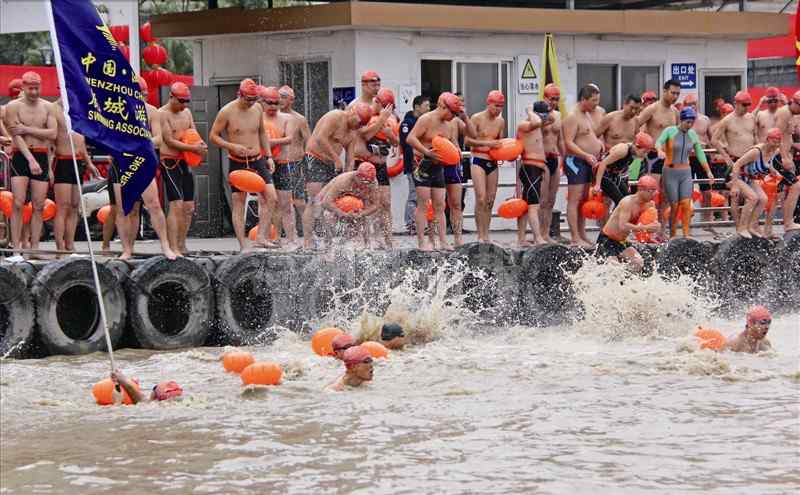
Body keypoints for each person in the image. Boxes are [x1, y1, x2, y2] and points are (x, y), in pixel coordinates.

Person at [105, 77, 177, 260]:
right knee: (125, 209)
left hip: (142, 162)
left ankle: (165, 246)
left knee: (153, 205)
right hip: (121, 164)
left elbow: (159, 138)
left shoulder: (152, 112)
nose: (142, 98)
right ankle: (127, 249)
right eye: (139, 94)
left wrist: (140, 146)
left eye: (144, 95)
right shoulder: (116, 110)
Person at [210, 78, 277, 251]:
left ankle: (261, 237)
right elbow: (213, 136)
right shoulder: (226, 111)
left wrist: (268, 156)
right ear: (239, 95)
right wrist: (232, 146)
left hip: (257, 159)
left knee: (271, 197)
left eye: (254, 99)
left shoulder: (257, 109)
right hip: (237, 162)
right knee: (239, 202)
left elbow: (262, 132)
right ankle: (242, 244)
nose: (251, 103)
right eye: (248, 99)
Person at [301, 102, 374, 249]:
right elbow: (320, 138)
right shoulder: (335, 116)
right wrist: (335, 159)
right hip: (313, 157)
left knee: (331, 203)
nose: (358, 127)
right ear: (352, 113)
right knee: (314, 200)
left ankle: (328, 240)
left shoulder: (353, 132)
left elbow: (350, 158)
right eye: (358, 123)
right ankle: (308, 240)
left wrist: (348, 179)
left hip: (332, 164)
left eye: (361, 126)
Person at [2, 71, 57, 259]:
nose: (34, 92)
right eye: (30, 88)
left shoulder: (48, 107)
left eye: (37, 88)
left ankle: (34, 248)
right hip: (20, 156)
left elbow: (52, 134)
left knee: (39, 204)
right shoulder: (13, 106)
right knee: (18, 203)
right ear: (23, 87)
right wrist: (30, 159)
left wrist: (27, 129)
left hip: (42, 155)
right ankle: (16, 247)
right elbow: (15, 135)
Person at [406, 92, 466, 251]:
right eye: (452, 112)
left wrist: (455, 152)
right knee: (423, 205)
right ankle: (421, 241)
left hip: (438, 166)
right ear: (443, 107)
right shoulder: (426, 119)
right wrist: (426, 152)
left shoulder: (448, 125)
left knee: (440, 205)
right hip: (422, 164)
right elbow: (411, 138)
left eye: (455, 114)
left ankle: (443, 241)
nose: (453, 116)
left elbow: (449, 145)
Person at [158, 82, 207, 255]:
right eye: (181, 101)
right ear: (171, 97)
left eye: (187, 101)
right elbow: (169, 140)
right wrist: (194, 149)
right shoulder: (162, 114)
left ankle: (182, 243)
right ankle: (173, 247)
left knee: (188, 207)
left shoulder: (186, 112)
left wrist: (200, 146)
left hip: (184, 161)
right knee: (176, 205)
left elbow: (193, 133)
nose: (184, 105)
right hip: (169, 162)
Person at [655, 107, 714, 239]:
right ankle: (673, 235)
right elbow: (658, 142)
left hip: (686, 171)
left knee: (686, 204)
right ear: (681, 120)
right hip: (670, 171)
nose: (690, 125)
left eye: (692, 122)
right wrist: (659, 150)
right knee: (674, 205)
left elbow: (699, 153)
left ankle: (686, 235)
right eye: (687, 122)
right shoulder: (670, 131)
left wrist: (708, 171)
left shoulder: (692, 134)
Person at [50, 98, 99, 253]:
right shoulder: (54, 109)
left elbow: (80, 141)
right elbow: (50, 142)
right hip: (62, 160)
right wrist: (49, 167)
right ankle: (60, 247)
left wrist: (89, 163)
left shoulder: (78, 109)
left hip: (78, 162)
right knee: (63, 206)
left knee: (74, 206)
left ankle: (70, 245)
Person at [352, 87, 396, 248]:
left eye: (389, 108)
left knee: (386, 203)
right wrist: (380, 121)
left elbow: (396, 143)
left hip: (381, 166)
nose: (386, 110)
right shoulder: (364, 113)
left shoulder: (391, 118)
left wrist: (390, 134)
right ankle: (365, 240)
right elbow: (365, 135)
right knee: (364, 203)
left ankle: (387, 239)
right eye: (384, 106)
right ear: (376, 101)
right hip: (364, 165)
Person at [637, 79, 681, 241]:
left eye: (677, 93)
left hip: (669, 158)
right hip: (653, 157)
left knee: (667, 196)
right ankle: (645, 229)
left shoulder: (675, 112)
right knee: (649, 195)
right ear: (664, 91)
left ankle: (661, 230)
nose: (675, 96)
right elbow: (636, 125)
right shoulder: (652, 109)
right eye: (673, 93)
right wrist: (644, 145)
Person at [563, 84, 604, 248]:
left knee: (583, 200)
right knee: (575, 199)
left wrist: (599, 145)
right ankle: (574, 237)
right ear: (583, 99)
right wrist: (585, 155)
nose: (596, 104)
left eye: (597, 100)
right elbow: (568, 142)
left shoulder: (587, 114)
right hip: (576, 161)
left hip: (588, 162)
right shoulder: (573, 116)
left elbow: (589, 135)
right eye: (593, 101)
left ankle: (582, 234)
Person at [594, 174, 661, 272]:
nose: (654, 194)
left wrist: (653, 231)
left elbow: (652, 224)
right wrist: (645, 228)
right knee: (614, 269)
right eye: (652, 191)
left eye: (655, 190)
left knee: (638, 262)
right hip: (607, 240)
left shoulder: (650, 204)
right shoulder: (627, 202)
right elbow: (623, 226)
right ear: (641, 190)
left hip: (621, 241)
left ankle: (626, 283)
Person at [712, 91, 758, 229]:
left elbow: (755, 138)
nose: (747, 108)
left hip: (750, 162)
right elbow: (714, 140)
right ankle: (739, 227)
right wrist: (726, 157)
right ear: (736, 104)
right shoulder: (727, 120)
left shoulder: (751, 118)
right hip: (735, 162)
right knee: (735, 196)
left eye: (749, 105)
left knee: (753, 197)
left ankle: (750, 226)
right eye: (744, 105)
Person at [466, 90, 505, 244]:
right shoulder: (476, 118)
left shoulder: (501, 122)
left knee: (490, 200)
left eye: (501, 106)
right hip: (478, 159)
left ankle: (486, 234)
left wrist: (507, 154)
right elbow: (468, 141)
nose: (499, 109)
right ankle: (480, 234)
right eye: (496, 106)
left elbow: (501, 143)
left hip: (493, 162)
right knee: (481, 198)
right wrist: (487, 143)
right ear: (489, 103)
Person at [730, 128, 783, 238]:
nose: (776, 144)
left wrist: (773, 171)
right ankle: (742, 228)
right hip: (737, 176)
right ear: (767, 140)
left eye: (778, 142)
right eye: (774, 141)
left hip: (750, 178)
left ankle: (751, 226)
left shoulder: (775, 151)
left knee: (763, 199)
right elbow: (736, 165)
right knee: (753, 198)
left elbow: (769, 163)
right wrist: (734, 186)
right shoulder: (756, 152)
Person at [259, 86, 294, 247]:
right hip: (263, 164)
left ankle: (291, 239)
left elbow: (290, 138)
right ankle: (267, 237)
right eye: (270, 103)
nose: (273, 106)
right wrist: (268, 145)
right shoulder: (258, 117)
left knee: (286, 204)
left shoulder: (286, 118)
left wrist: (270, 142)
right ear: (263, 102)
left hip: (282, 163)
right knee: (265, 202)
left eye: (276, 103)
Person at [317, 162, 381, 243]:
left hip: (349, 201)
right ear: (357, 176)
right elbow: (326, 202)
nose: (366, 186)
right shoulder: (344, 181)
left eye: (368, 183)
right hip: (327, 198)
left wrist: (362, 213)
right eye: (363, 183)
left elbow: (375, 205)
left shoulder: (372, 182)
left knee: (364, 218)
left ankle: (366, 245)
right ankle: (328, 243)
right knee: (328, 217)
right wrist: (342, 214)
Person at [278, 85, 311, 235]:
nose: (280, 99)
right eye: (279, 96)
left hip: (296, 164)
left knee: (299, 202)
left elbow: (309, 143)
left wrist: (308, 166)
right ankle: (286, 236)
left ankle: (309, 234)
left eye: (284, 96)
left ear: (292, 100)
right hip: (279, 164)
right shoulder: (273, 117)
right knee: (281, 203)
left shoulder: (299, 119)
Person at [516, 101, 549, 246]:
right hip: (530, 168)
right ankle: (538, 238)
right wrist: (530, 110)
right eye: (543, 115)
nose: (546, 118)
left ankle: (521, 239)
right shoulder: (525, 125)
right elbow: (535, 121)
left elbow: (555, 117)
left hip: (536, 168)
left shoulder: (538, 126)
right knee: (533, 205)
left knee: (525, 205)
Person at [681, 94, 716, 229]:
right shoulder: (681, 120)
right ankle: (686, 220)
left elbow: (712, 138)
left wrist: (713, 153)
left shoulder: (705, 119)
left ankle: (706, 220)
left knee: (706, 191)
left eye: (694, 103)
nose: (692, 106)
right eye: (689, 104)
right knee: (686, 191)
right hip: (686, 158)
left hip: (703, 157)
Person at [592, 132, 654, 208]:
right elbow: (603, 164)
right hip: (604, 174)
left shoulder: (636, 153)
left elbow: (630, 174)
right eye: (644, 152)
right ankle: (616, 218)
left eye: (647, 153)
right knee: (622, 203)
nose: (645, 155)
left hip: (614, 175)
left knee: (629, 199)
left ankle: (618, 217)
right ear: (637, 146)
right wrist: (597, 185)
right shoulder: (622, 150)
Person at [400, 95, 430, 235]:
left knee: (423, 196)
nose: (428, 109)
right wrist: (413, 162)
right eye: (426, 106)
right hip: (413, 165)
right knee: (413, 194)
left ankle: (421, 223)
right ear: (417, 107)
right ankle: (410, 223)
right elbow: (406, 145)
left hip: (424, 164)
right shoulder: (407, 123)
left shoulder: (424, 122)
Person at [771, 90, 800, 233]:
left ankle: (775, 227)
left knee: (779, 192)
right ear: (795, 103)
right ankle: (788, 222)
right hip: (777, 157)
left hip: (782, 156)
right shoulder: (785, 113)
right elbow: (777, 137)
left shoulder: (791, 114)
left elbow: (787, 137)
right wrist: (784, 158)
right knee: (796, 186)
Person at [540, 84, 566, 243]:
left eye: (557, 99)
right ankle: (539, 234)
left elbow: (561, 139)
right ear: (545, 98)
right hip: (540, 159)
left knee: (551, 199)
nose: (554, 102)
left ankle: (546, 233)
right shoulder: (536, 115)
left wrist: (565, 159)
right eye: (552, 99)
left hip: (554, 158)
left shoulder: (558, 115)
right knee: (542, 200)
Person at [110, 369, 184, 404]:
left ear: (155, 396)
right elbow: (141, 397)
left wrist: (121, 379)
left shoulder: (152, 405)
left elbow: (140, 400)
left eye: (155, 387)